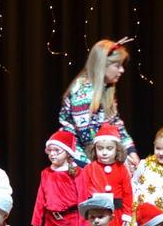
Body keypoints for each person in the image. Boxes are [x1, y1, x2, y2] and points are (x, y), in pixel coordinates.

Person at [59, 38, 139, 169]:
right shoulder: (83, 94)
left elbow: (116, 124)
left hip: (99, 159)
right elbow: (88, 140)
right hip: (82, 164)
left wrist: (130, 151)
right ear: (103, 65)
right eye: (117, 66)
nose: (122, 70)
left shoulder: (105, 90)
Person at [82, 124, 134, 226]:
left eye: (109, 148)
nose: (104, 152)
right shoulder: (89, 168)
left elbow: (127, 193)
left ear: (117, 149)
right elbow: (83, 193)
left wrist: (127, 214)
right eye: (100, 148)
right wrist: (84, 215)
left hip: (116, 214)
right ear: (94, 149)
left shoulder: (122, 169)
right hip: (94, 213)